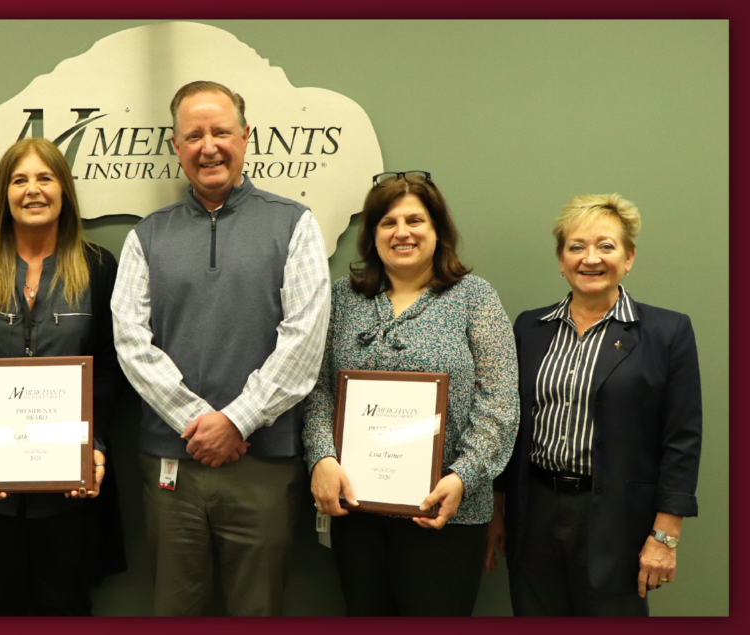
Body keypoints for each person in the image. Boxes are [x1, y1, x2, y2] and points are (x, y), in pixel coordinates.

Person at [111, 80, 331, 616]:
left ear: (246, 136)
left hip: (263, 461)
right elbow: (130, 341)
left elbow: (304, 340)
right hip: (172, 460)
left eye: (221, 131)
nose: (209, 146)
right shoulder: (147, 236)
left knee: (257, 609)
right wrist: (198, 421)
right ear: (175, 146)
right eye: (194, 135)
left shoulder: (294, 224)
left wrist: (237, 421)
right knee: (174, 609)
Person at [303, 171, 519, 616]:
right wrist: (322, 458)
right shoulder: (342, 299)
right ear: (373, 235)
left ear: (437, 230)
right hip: (358, 509)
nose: (402, 232)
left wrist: (463, 477)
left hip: (446, 510)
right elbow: (318, 389)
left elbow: (499, 402)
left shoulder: (474, 298)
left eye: (415, 220)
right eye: (388, 222)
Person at [485, 194, 701, 616]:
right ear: (561, 261)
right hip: (535, 512)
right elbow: (511, 424)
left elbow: (682, 438)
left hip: (616, 520)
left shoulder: (666, 332)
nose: (591, 258)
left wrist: (666, 534)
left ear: (629, 257)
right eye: (576, 246)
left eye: (606, 246)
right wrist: (497, 512)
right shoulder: (530, 327)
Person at [0, 137, 124, 616]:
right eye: (19, 180)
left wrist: (95, 445)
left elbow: (110, 363)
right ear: (4, 193)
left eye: (45, 178)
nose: (32, 190)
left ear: (64, 190)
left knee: (67, 603)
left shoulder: (99, 266)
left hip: (70, 489)